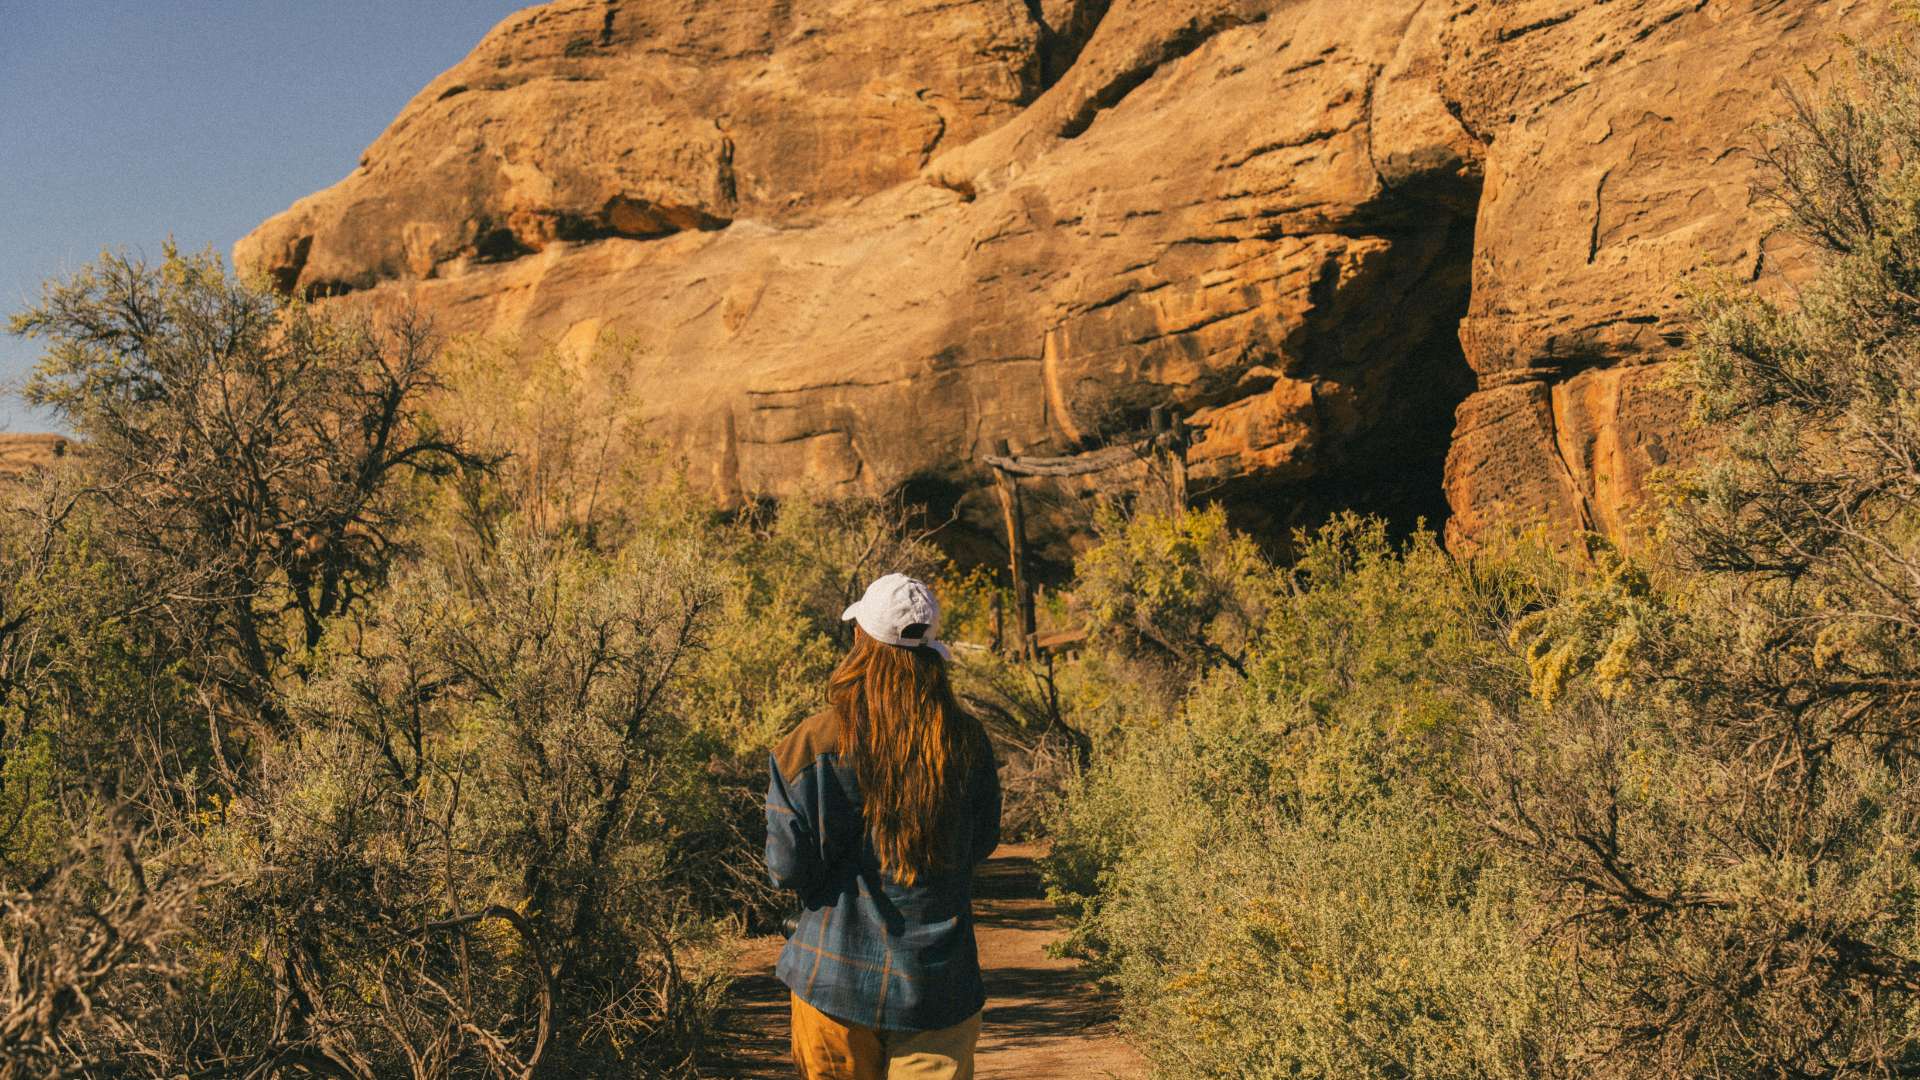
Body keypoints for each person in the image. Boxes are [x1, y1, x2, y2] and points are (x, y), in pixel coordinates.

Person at [766, 573, 1002, 1080]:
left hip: (831, 979)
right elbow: (980, 843)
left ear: (861, 639)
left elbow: (786, 868)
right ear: (931, 649)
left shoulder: (810, 744)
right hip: (939, 988)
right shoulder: (968, 743)